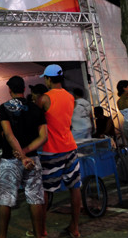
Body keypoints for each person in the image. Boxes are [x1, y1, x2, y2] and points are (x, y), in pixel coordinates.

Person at [0, 76, 48, 238]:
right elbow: (43, 136)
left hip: (10, 159)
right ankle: (39, 234)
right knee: (35, 197)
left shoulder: (4, 108)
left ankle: (2, 236)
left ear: (10, 90)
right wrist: (26, 152)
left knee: (6, 199)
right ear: (24, 89)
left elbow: (9, 135)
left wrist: (20, 155)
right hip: (33, 158)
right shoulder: (35, 108)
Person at [39, 64, 81, 238]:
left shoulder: (44, 99)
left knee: (45, 190)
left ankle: (42, 230)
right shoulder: (70, 97)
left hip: (51, 150)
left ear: (49, 79)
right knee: (75, 187)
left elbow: (38, 124)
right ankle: (75, 228)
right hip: (70, 147)